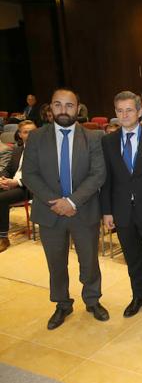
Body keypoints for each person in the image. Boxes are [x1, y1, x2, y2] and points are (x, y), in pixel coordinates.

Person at [22, 88, 109, 330]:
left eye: (69, 105)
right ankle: (62, 303)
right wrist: (56, 202)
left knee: (89, 261)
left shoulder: (93, 138)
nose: (63, 109)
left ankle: (92, 300)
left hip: (84, 211)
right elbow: (30, 174)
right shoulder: (37, 137)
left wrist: (71, 202)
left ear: (78, 108)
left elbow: (98, 174)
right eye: (58, 104)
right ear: (50, 108)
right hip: (50, 213)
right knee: (56, 263)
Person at [100, 91, 142, 319]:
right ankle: (139, 296)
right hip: (122, 210)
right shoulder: (107, 141)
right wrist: (107, 211)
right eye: (119, 110)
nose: (124, 114)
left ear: (139, 111)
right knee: (132, 256)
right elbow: (106, 179)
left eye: (129, 110)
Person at [0, 120, 37, 252]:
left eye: (33, 131)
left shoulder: (43, 152)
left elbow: (38, 175)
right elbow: (7, 169)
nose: (30, 134)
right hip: (13, 184)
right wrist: (3, 179)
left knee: (1, 198)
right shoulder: (17, 150)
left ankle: (3, 237)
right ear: (20, 134)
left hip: (28, 188)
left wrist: (16, 183)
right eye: (26, 132)